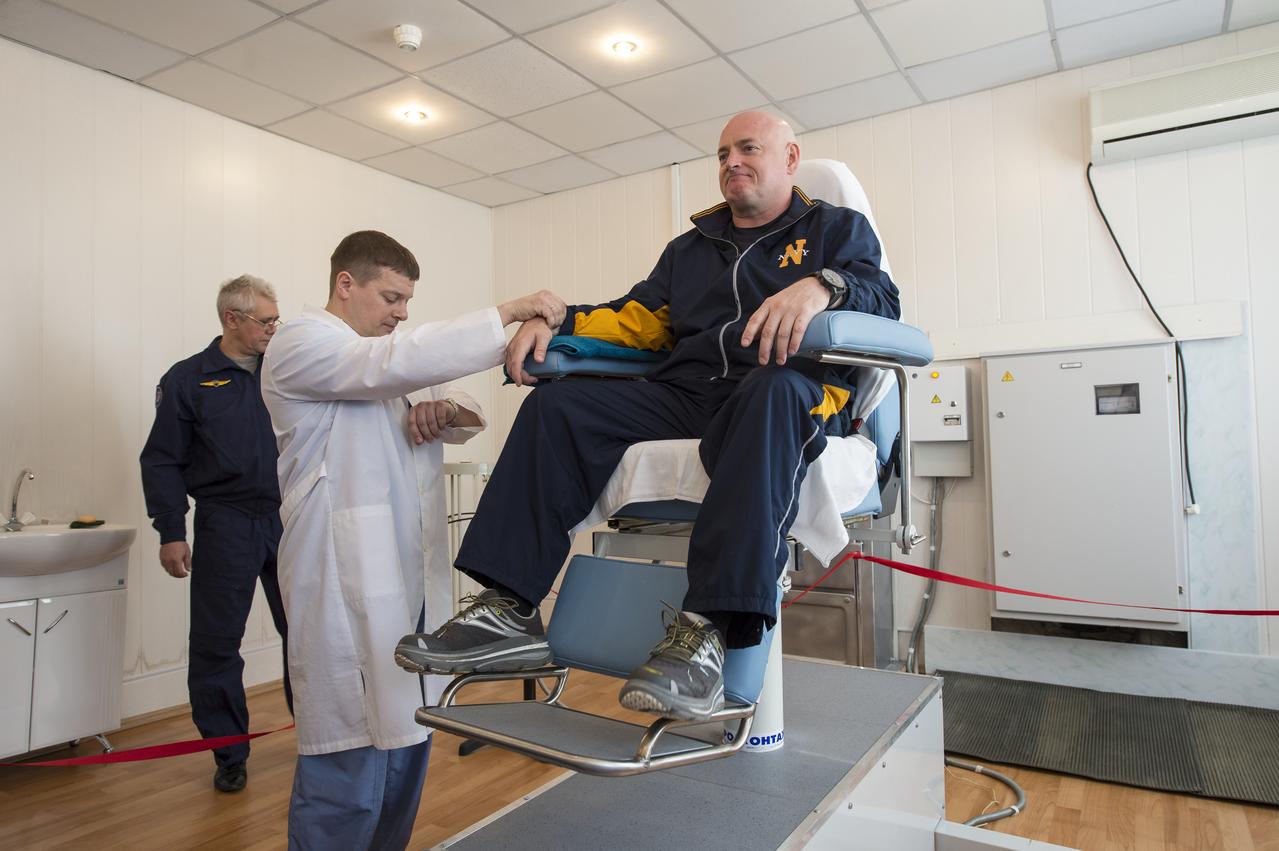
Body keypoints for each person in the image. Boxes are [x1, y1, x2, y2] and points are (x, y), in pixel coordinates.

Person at [395, 110, 901, 722]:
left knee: (771, 394)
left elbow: (882, 299)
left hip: (783, 387)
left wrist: (823, 284)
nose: (731, 163)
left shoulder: (834, 229)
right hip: (690, 392)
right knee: (559, 404)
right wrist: (558, 322)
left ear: (791, 160)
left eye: (748, 149)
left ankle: (710, 632)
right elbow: (636, 318)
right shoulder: (690, 250)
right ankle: (509, 607)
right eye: (721, 154)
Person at [260, 230, 565, 851]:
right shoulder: (303, 342)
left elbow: (450, 396)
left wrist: (446, 410)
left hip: (406, 573)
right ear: (346, 284)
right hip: (341, 570)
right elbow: (392, 366)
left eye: (406, 302)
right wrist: (507, 312)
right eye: (392, 297)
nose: (402, 313)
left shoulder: (387, 352)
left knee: (409, 735)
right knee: (347, 742)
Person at [139, 274, 292, 794]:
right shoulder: (188, 379)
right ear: (231, 319)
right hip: (225, 520)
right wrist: (170, 530)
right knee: (216, 645)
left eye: (276, 319)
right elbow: (161, 460)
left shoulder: (287, 370)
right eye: (265, 321)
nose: (275, 328)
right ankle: (228, 754)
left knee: (308, 634)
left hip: (291, 517)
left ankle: (319, 736)